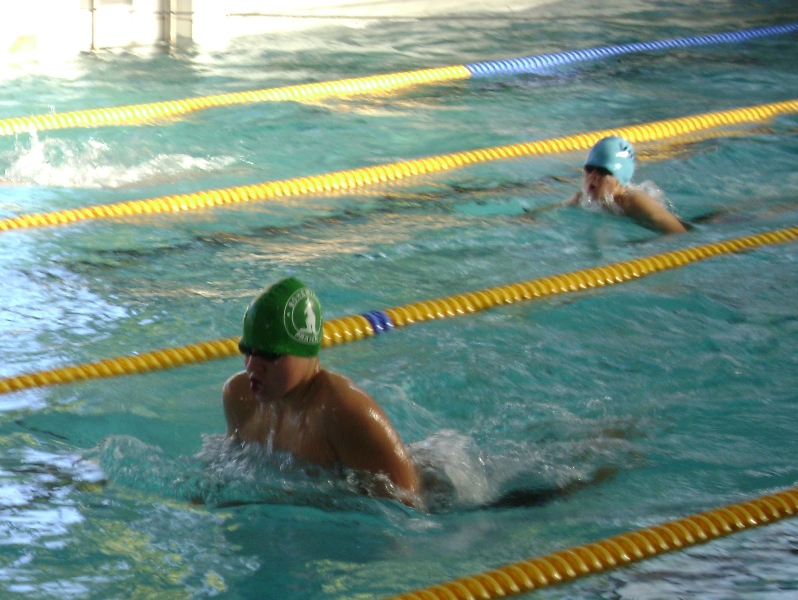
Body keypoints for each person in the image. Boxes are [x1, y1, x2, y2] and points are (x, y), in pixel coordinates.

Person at [222, 277, 421, 506]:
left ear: (304, 350)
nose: (252, 366)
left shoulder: (343, 410)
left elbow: (410, 505)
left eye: (269, 354)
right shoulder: (240, 396)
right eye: (247, 351)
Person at [565, 136, 687, 234]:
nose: (593, 176)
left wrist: (641, 244)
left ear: (619, 178)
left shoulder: (634, 202)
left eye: (603, 171)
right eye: (589, 169)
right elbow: (557, 212)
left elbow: (679, 232)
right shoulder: (582, 198)